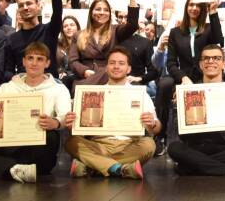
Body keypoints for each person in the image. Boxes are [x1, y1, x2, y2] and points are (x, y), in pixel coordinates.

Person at [0, 42, 71, 183]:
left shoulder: (58, 89)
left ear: (47, 63)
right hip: (8, 143)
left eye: (40, 59)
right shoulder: (9, 87)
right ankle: (14, 170)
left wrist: (55, 122)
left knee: (51, 137)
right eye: (30, 58)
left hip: (34, 145)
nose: (34, 63)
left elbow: (65, 115)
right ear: (24, 61)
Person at [64, 46, 161, 179]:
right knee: (72, 142)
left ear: (129, 69)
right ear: (106, 67)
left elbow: (157, 128)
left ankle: (93, 166)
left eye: (121, 63)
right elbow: (81, 131)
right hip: (99, 145)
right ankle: (120, 169)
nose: (116, 66)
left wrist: (152, 124)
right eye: (112, 63)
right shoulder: (93, 93)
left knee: (149, 145)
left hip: (129, 145)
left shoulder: (140, 94)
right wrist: (73, 125)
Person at [167, 44, 225, 175]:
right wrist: (179, 109)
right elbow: (180, 137)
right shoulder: (189, 92)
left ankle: (194, 167)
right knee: (174, 148)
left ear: (224, 64)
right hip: (197, 147)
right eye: (206, 58)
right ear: (200, 65)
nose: (210, 61)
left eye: (216, 58)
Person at [156, 0, 224, 155]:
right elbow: (171, 63)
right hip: (183, 76)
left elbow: (218, 40)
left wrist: (213, 12)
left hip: (205, 75)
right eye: (191, 5)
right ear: (186, 7)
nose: (194, 8)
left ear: (202, 9)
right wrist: (183, 78)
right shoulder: (175, 32)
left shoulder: (207, 29)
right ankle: (160, 136)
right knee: (165, 84)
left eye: (198, 6)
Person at [3, 0, 67, 79]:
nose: (25, 7)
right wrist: (15, 80)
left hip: (49, 84)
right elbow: (8, 69)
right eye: (21, 5)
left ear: (38, 6)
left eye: (29, 3)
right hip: (22, 86)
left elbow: (58, 11)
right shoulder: (11, 39)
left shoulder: (50, 30)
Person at [67, 0, 141, 86]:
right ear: (91, 12)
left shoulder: (115, 31)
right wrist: (85, 71)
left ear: (110, 14)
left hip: (109, 78)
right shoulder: (78, 35)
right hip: (85, 78)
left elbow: (132, 25)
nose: (102, 12)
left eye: (106, 10)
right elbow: (73, 61)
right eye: (98, 9)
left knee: (106, 74)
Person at [56, 15, 81, 82]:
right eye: (65, 26)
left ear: (77, 27)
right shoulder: (57, 45)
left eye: (72, 25)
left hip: (79, 77)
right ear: (62, 30)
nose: (69, 28)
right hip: (61, 78)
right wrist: (60, 71)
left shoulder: (84, 45)